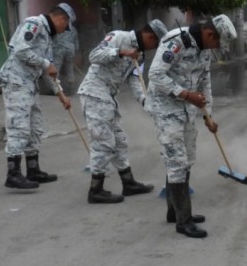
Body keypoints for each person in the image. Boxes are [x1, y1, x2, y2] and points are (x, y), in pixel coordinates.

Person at [146, 14, 237, 239]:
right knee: (177, 162)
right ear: (209, 34)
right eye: (217, 43)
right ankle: (183, 221)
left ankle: (174, 212)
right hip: (166, 108)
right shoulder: (176, 41)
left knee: (186, 160)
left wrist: (209, 116)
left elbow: (205, 81)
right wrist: (186, 94)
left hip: (187, 109)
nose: (216, 48)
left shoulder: (204, 49)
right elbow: (155, 74)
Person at [77, 19, 168, 204]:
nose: (154, 48)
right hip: (94, 92)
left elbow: (134, 80)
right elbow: (94, 55)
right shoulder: (118, 37)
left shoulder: (140, 56)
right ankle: (96, 190)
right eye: (156, 43)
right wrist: (121, 52)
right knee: (104, 142)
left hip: (109, 97)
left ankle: (128, 182)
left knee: (119, 141)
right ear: (150, 36)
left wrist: (145, 101)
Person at [0, 4, 72, 189]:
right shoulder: (34, 24)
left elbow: (49, 71)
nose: (64, 30)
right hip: (17, 82)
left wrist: (60, 93)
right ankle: (13, 174)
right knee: (19, 127)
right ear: (62, 19)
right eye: (66, 26)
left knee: (35, 127)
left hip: (30, 84)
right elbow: (21, 50)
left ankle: (33, 169)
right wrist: (45, 63)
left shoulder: (48, 37)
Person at [52, 3, 80, 90]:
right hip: (70, 49)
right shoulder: (74, 29)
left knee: (56, 67)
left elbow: (53, 39)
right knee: (69, 67)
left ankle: (55, 88)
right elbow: (76, 44)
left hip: (59, 48)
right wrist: (75, 52)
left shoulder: (58, 26)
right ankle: (71, 85)